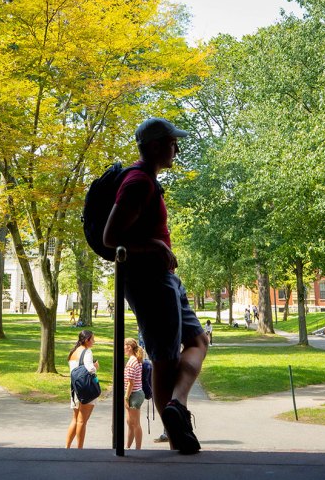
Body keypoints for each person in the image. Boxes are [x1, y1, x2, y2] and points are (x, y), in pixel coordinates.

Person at [102, 117, 207, 455]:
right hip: (149, 282)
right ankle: (177, 436)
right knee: (164, 360)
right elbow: (110, 237)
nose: (177, 147)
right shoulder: (138, 183)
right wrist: (156, 247)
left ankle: (177, 405)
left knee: (197, 340)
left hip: (166, 280)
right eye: (172, 141)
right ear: (155, 145)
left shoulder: (147, 181)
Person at [64, 329, 98, 449]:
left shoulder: (73, 352)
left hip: (75, 389)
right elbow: (90, 369)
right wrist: (95, 366)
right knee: (82, 421)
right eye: (92, 339)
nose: (94, 341)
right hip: (86, 389)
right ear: (87, 340)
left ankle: (67, 447)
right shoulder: (87, 352)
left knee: (75, 419)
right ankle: (80, 449)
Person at [122, 337, 147, 450]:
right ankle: (127, 447)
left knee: (135, 424)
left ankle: (138, 449)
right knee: (130, 423)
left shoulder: (132, 362)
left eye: (124, 346)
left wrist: (126, 397)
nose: (123, 348)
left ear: (129, 347)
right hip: (135, 394)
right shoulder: (135, 360)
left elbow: (130, 383)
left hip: (134, 395)